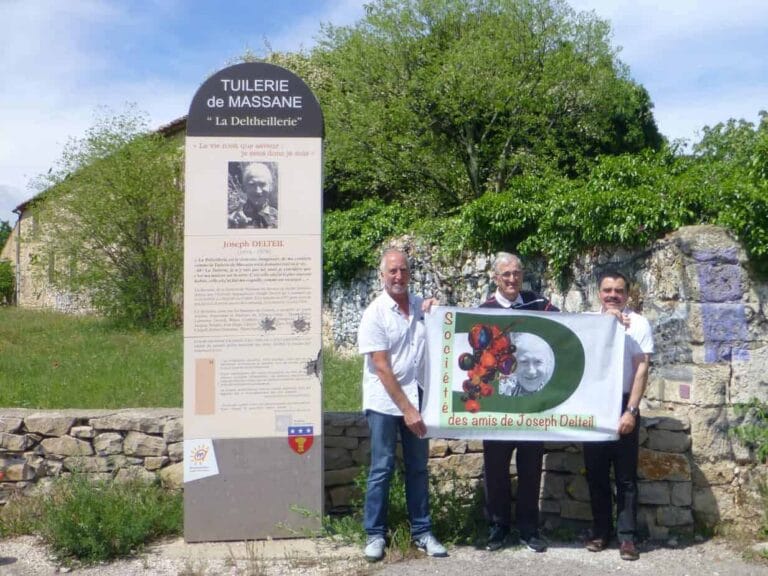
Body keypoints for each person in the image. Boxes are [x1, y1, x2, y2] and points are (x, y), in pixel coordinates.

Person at [357, 248, 448, 562]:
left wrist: (435, 309)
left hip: (418, 395)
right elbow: (381, 367)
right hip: (385, 402)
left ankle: (422, 532)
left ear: (410, 274)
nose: (398, 277)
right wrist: (408, 409)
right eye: (392, 271)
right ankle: (374, 535)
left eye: (403, 271)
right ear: (382, 275)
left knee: (419, 469)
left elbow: (442, 333)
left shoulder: (422, 307)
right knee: (382, 468)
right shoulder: (375, 313)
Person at [480, 252, 558, 553]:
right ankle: (498, 527)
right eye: (506, 274)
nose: (512, 279)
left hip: (531, 406)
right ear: (495, 278)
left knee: (530, 468)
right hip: (498, 405)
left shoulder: (539, 304)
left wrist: (605, 318)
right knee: (495, 468)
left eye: (516, 273)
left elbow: (576, 326)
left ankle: (529, 529)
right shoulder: (483, 310)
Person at [583, 270, 654, 561]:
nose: (613, 295)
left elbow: (641, 368)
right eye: (607, 290)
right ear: (598, 293)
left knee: (625, 477)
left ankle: (627, 538)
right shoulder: (587, 321)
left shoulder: (638, 324)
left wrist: (631, 411)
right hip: (594, 404)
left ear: (627, 294)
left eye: (619, 291)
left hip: (624, 402)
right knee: (596, 473)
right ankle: (601, 532)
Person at [498, 332, 556, 396]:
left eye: (538, 362)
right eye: (524, 362)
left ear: (548, 365)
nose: (531, 371)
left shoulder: (554, 394)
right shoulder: (506, 391)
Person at [228, 162, 278, 228]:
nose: (258, 191)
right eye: (252, 184)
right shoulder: (234, 218)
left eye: (262, 184)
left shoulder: (278, 217)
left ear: (270, 187)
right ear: (244, 188)